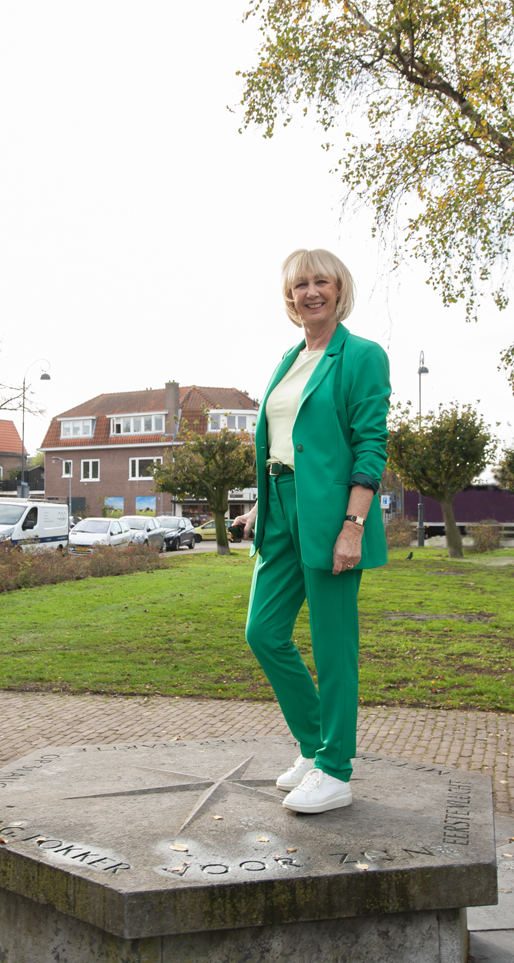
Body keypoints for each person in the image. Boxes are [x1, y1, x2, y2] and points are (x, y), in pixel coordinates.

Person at [234, 248, 390, 814]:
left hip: (330, 517)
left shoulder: (362, 356)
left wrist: (354, 525)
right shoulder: (288, 359)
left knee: (333, 644)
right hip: (278, 509)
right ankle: (312, 745)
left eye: (321, 282)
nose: (310, 292)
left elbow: (370, 444)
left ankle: (336, 769)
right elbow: (282, 441)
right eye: (300, 284)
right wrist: (262, 504)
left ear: (339, 289)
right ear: (289, 296)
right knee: (263, 632)